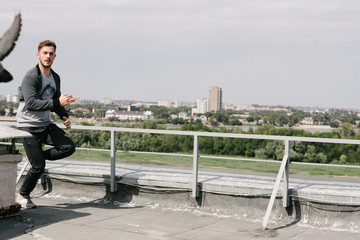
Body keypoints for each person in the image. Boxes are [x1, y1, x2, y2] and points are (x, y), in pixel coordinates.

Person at [16, 40, 76, 208]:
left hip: (45, 123)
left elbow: (56, 103)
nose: (48, 56)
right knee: (38, 166)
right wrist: (58, 101)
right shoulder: (31, 76)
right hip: (28, 126)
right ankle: (22, 195)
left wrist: (64, 115)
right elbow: (31, 104)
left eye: (51, 54)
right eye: (45, 53)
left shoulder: (55, 77)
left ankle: (37, 159)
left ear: (54, 56)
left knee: (68, 147)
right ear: (38, 54)